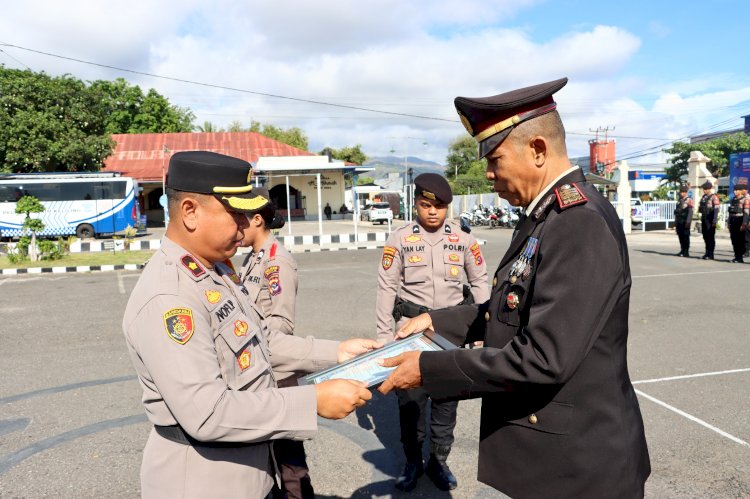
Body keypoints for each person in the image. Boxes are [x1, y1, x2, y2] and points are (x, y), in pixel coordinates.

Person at [378, 78, 651, 498]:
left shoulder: (578, 222)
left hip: (581, 470)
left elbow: (544, 358)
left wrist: (428, 370)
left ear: (538, 150)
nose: (488, 175)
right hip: (556, 463)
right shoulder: (543, 216)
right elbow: (504, 309)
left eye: (495, 160)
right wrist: (434, 320)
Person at [122, 151, 380, 498]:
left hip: (252, 470)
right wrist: (311, 401)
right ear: (190, 212)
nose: (246, 227)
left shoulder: (216, 270)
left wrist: (338, 352)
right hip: (204, 482)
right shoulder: (171, 297)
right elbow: (208, 412)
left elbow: (260, 342)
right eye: (236, 215)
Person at [375, 173, 489, 492]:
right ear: (416, 205)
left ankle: (439, 461)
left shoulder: (464, 239)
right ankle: (413, 461)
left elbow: (480, 283)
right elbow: (386, 289)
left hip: (451, 335)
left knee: (446, 402)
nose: (433, 212)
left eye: (439, 206)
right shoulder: (399, 239)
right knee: (410, 403)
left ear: (447, 208)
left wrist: (481, 329)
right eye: (426, 205)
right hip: (410, 334)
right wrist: (384, 341)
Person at [239, 188, 312, 499]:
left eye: (240, 218)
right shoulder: (252, 258)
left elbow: (282, 324)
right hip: (259, 373)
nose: (235, 226)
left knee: (290, 463)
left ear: (257, 220)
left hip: (277, 375)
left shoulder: (276, 261)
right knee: (267, 458)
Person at [727, 177, 750, 263]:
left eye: (737, 190)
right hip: (733, 221)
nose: (735, 192)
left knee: (740, 240)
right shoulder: (733, 200)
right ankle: (736, 256)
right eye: (734, 190)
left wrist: (744, 224)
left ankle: (740, 257)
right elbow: (730, 212)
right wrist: (728, 223)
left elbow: (746, 212)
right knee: (734, 240)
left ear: (741, 191)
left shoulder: (745, 200)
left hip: (740, 221)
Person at [698, 181, 720, 260]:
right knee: (705, 236)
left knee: (710, 237)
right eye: (704, 189)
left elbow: (716, 210)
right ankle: (707, 252)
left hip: (710, 220)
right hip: (704, 219)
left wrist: (714, 220)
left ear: (709, 189)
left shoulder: (714, 197)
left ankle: (711, 253)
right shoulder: (703, 197)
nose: (704, 190)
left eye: (706, 189)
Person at [674, 184, 694, 257]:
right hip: (679, 220)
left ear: (686, 192)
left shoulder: (689, 200)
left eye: (684, 192)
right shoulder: (679, 200)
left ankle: (686, 251)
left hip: (685, 221)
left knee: (685, 236)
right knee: (680, 236)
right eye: (681, 192)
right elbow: (677, 212)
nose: (682, 193)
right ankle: (682, 250)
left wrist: (688, 222)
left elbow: (690, 212)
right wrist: (675, 222)